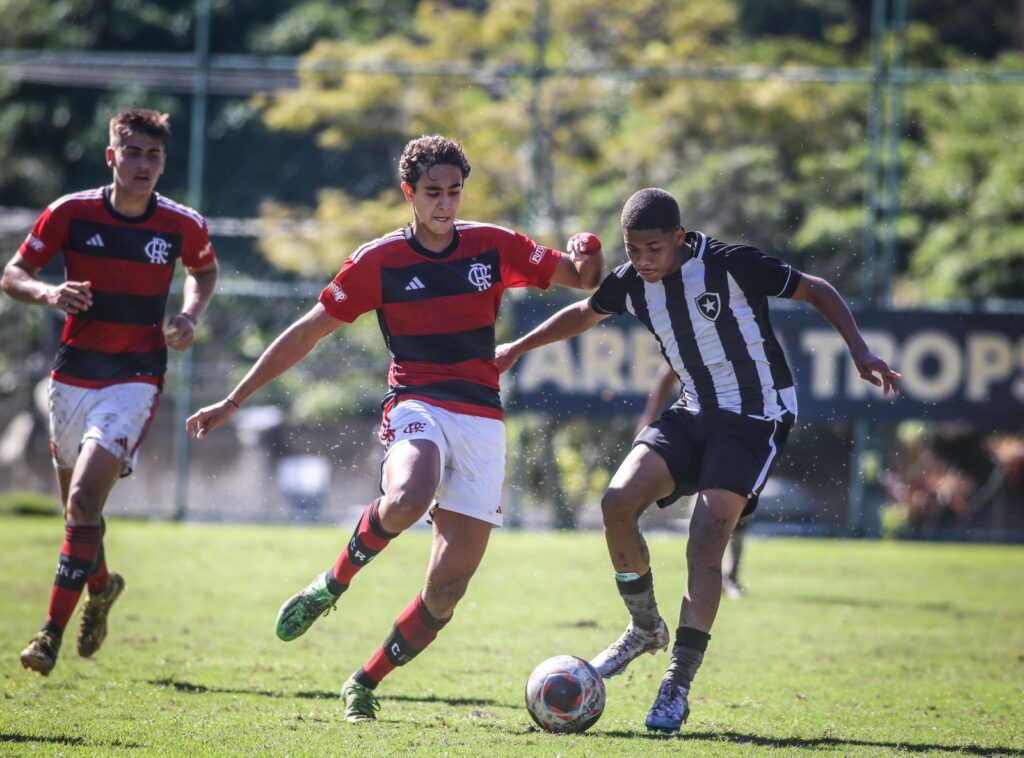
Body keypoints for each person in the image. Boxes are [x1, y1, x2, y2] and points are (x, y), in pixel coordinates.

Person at [185, 135, 603, 723]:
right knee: (409, 493)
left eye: (454, 192)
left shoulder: (493, 246)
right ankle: (331, 586)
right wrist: (233, 400)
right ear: (408, 192)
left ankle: (364, 680)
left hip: (482, 418)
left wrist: (590, 248)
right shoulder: (379, 261)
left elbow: (582, 278)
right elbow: (307, 332)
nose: (445, 204)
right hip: (417, 401)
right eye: (433, 192)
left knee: (447, 592)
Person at [496, 187, 900, 732]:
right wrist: (516, 349)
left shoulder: (732, 265)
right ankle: (644, 629)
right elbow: (584, 314)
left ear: (680, 239)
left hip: (757, 417)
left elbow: (817, 288)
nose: (642, 260)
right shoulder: (632, 281)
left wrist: (860, 349)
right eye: (632, 249)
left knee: (705, 539)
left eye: (654, 249)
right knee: (617, 501)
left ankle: (676, 684)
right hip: (694, 410)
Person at [3, 109, 219, 676]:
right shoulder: (70, 213)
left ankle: (48, 634)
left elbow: (204, 271)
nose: (145, 164)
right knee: (78, 515)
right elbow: (12, 274)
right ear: (112, 156)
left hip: (135, 379)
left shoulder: (181, 223)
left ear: (163, 162)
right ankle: (101, 588)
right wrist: (50, 295)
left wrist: (189, 315)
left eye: (154, 155)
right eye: (134, 152)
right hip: (72, 376)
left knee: (81, 504)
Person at [638, 364, 748, 599]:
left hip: (742, 428)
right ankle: (700, 582)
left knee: (739, 510)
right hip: (698, 427)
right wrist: (649, 418)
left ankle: (730, 576)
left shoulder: (748, 341)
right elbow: (667, 373)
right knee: (706, 520)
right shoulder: (700, 336)